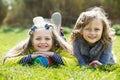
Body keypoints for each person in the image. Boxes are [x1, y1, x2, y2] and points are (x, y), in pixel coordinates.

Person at [3, 16, 77, 67]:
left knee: (62, 40)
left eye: (47, 39)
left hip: (56, 43)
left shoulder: (57, 49)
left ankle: (60, 35)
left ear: (53, 40)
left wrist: (52, 54)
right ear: (31, 41)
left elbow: (74, 62)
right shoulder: (28, 48)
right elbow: (7, 61)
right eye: (38, 39)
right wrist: (31, 56)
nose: (42, 42)